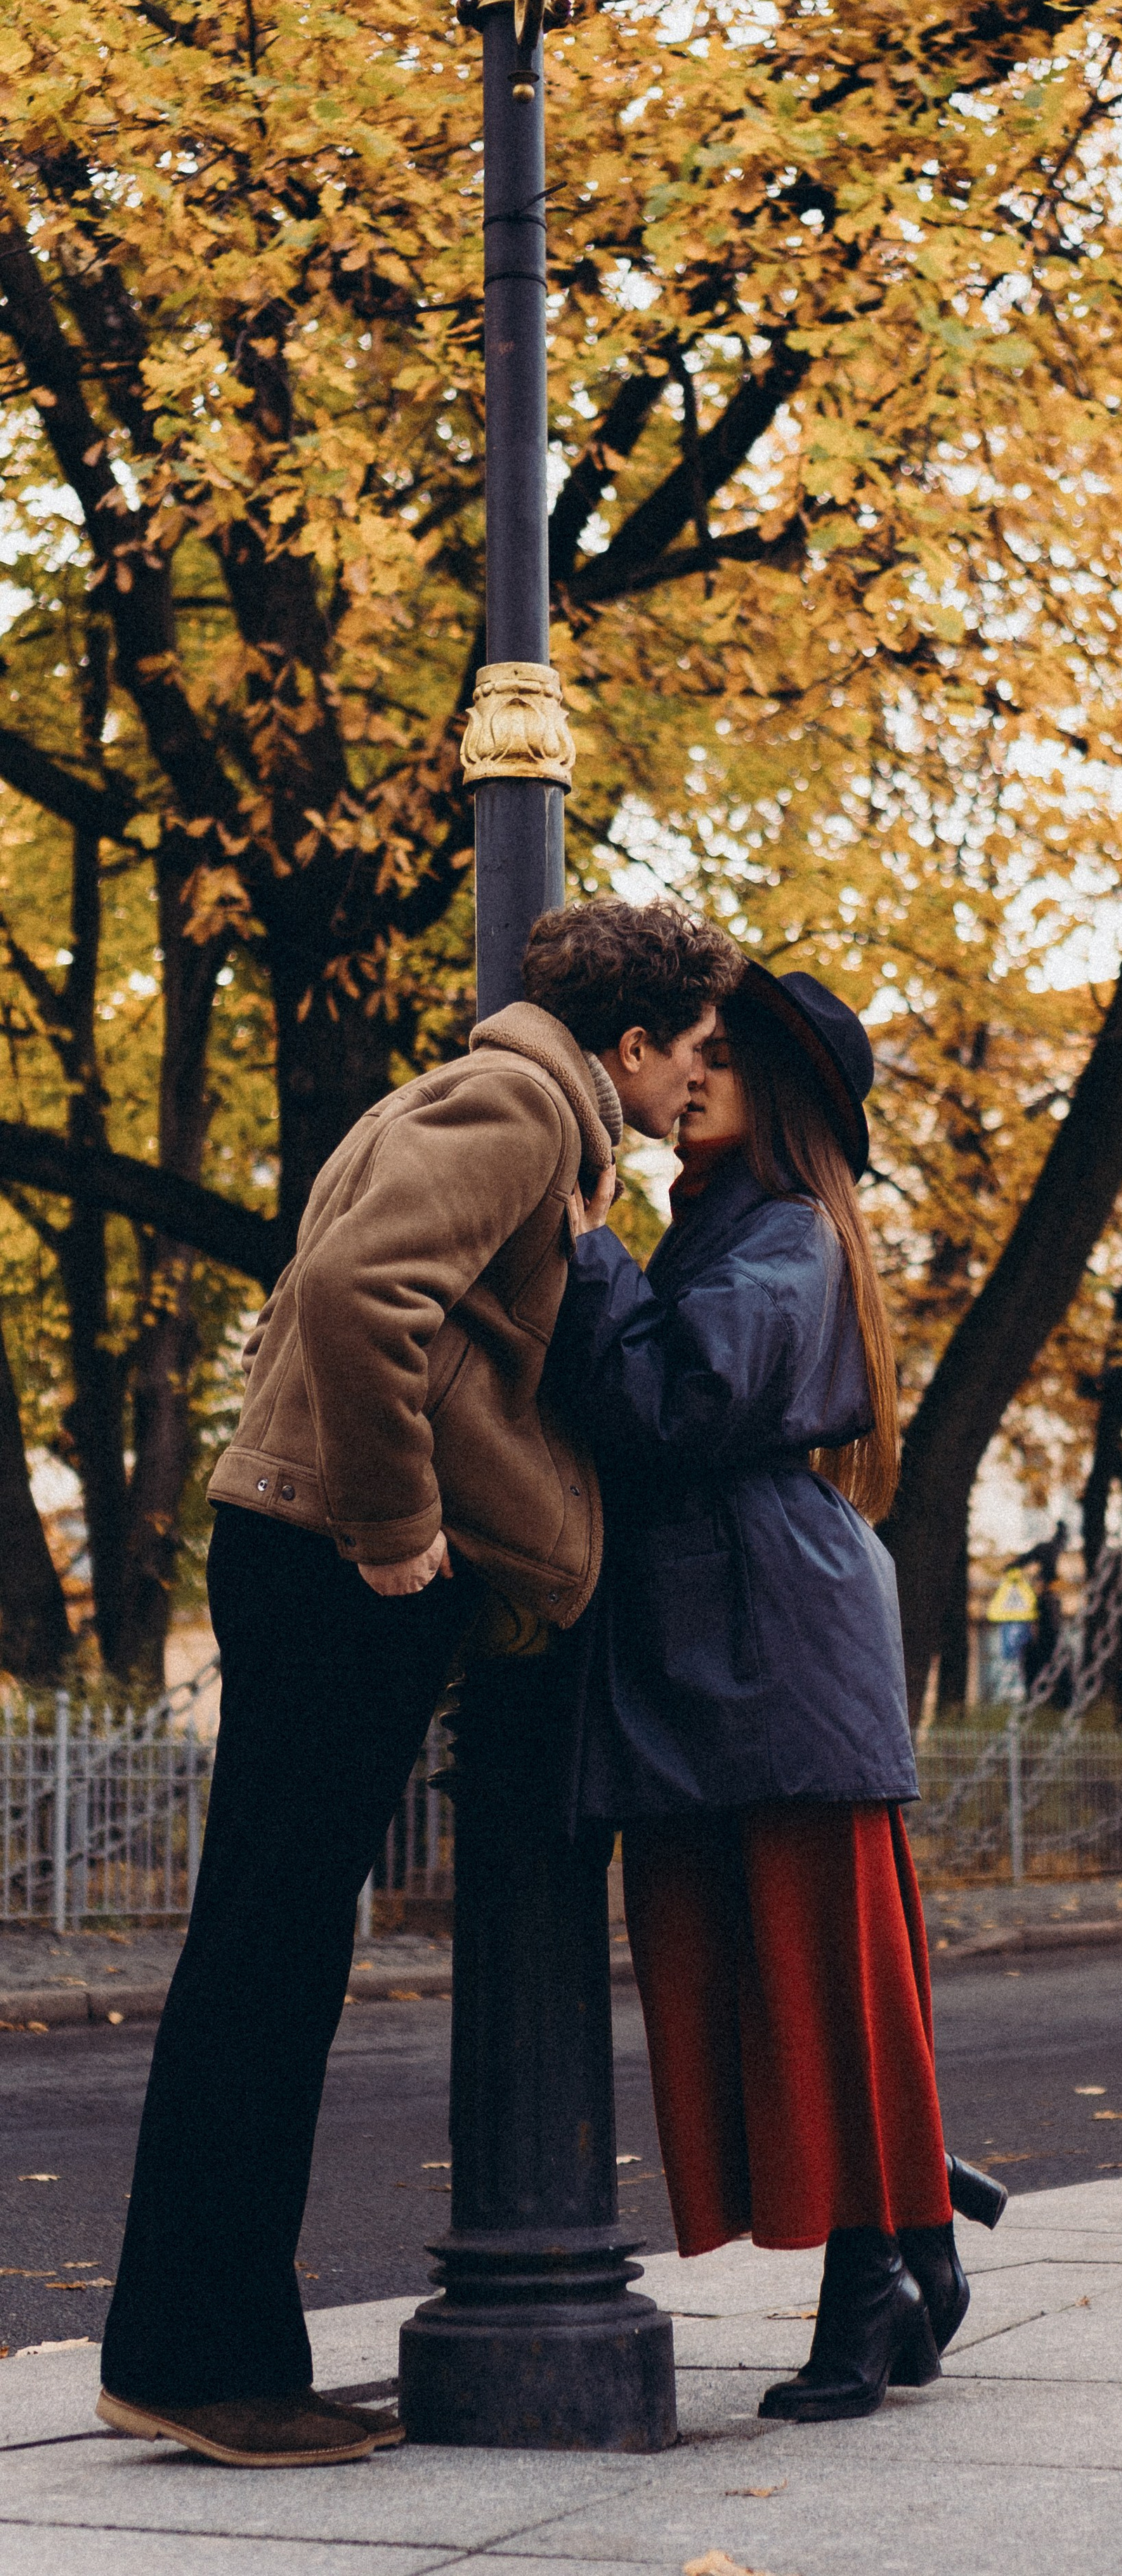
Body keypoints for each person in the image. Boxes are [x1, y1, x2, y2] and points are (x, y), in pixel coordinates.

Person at [97, 896, 741, 2470]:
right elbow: (353, 1299)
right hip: (334, 1556)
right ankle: (201, 2361)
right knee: (269, 1953)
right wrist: (395, 1532)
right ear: (633, 1043)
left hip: (303, 1544)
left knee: (269, 1943)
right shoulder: (522, 1102)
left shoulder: (479, 1101)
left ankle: (193, 2347)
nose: (692, 1091)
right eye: (692, 1057)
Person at [549, 964, 1005, 2427]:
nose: (690, 1074)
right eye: (690, 1052)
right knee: (744, 1980)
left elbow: (667, 1403)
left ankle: (873, 2283)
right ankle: (916, 2232)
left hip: (774, 1648)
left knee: (819, 1977)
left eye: (722, 1058)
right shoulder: (721, 1231)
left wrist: (589, 1249)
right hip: (716, 1644)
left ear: (781, 1097)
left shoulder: (790, 1235)